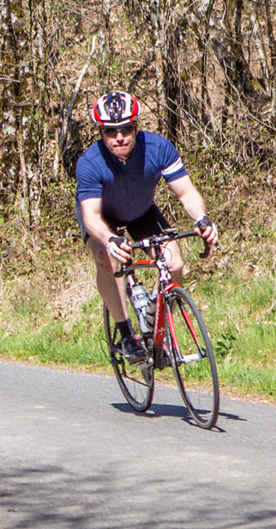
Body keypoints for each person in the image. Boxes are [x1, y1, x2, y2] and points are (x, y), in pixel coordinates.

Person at [74, 91, 221, 363]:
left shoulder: (158, 148)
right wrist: (109, 239)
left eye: (126, 129)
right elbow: (91, 216)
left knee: (174, 263)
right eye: (110, 131)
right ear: (101, 133)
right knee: (106, 259)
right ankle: (126, 333)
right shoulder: (90, 163)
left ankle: (157, 328)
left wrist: (201, 219)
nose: (120, 137)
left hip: (141, 212)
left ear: (136, 127)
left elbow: (186, 193)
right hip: (103, 219)